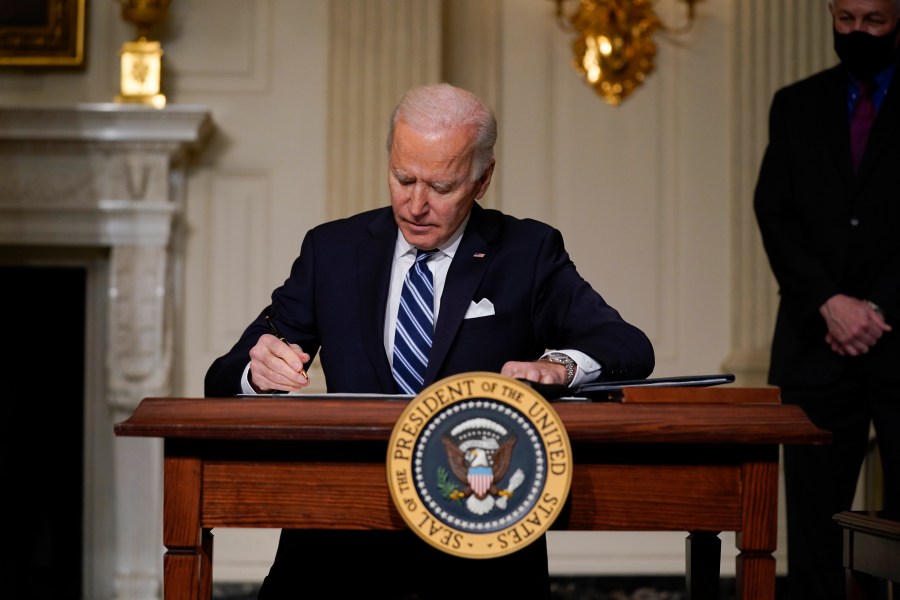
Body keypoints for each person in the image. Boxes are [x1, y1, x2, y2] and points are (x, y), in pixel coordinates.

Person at [205, 82, 655, 599]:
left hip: (479, 548)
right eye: (402, 179)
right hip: (336, 547)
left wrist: (560, 366)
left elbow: (628, 344)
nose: (416, 204)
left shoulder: (527, 254)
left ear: (482, 180)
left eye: (440, 187)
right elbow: (225, 373)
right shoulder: (332, 250)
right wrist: (256, 372)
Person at [753, 1, 900, 598]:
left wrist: (877, 308)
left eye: (873, 21)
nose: (857, 32)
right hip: (816, 346)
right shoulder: (796, 104)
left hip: (898, 343)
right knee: (814, 536)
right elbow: (775, 213)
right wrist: (830, 303)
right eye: (845, 20)